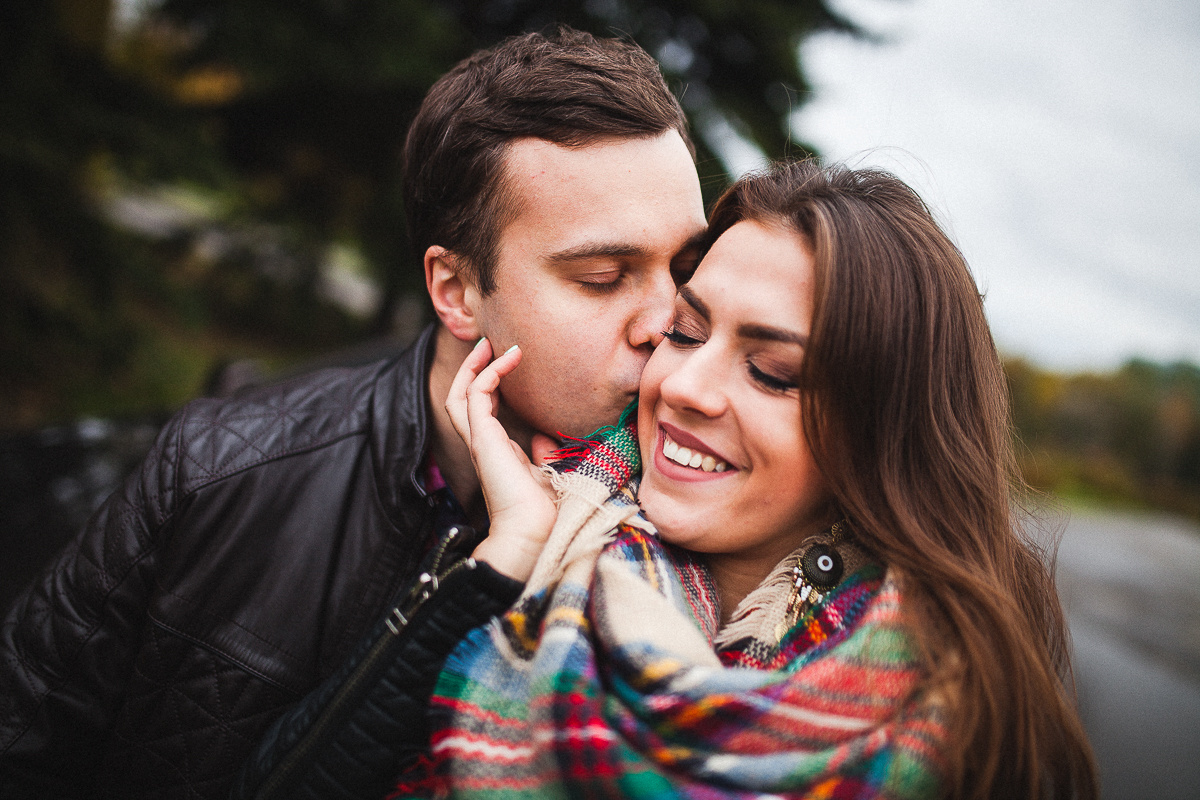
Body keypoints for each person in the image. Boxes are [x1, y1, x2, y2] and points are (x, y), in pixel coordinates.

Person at [240, 160, 1097, 799]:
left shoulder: (958, 712)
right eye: (685, 332)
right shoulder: (538, 522)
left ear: (884, 433)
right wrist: (501, 562)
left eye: (772, 373)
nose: (683, 386)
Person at [0, 28, 706, 799]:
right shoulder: (220, 474)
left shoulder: (702, 532)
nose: (666, 320)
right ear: (456, 291)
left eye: (685, 268)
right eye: (603, 276)